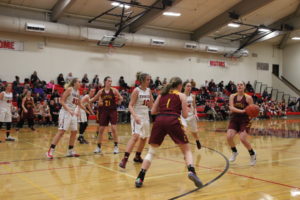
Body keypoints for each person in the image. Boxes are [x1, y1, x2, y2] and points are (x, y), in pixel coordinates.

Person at [135, 77, 202, 188]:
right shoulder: (182, 96)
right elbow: (185, 116)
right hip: (173, 120)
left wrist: (164, 109)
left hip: (160, 120)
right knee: (186, 150)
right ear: (180, 86)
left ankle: (140, 177)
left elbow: (153, 111)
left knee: (151, 152)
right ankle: (191, 171)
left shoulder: (162, 94)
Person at [119, 73, 153, 169]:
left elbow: (151, 105)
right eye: (147, 80)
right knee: (135, 136)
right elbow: (130, 105)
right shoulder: (136, 91)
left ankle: (137, 156)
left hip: (146, 116)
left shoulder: (149, 90)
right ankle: (124, 159)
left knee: (144, 138)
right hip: (136, 115)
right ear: (142, 81)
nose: (149, 81)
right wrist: (135, 116)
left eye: (149, 79)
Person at [46, 78, 85, 159]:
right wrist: (69, 110)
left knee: (74, 131)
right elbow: (61, 101)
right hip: (65, 113)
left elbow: (79, 103)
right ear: (74, 83)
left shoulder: (77, 92)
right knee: (61, 132)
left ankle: (70, 151)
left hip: (73, 113)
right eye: (79, 81)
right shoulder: (70, 89)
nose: (80, 83)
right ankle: (50, 151)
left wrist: (86, 110)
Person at [227, 81, 257, 166]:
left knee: (243, 139)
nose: (239, 86)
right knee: (229, 137)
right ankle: (234, 152)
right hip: (234, 119)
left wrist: (251, 115)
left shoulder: (248, 98)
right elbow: (231, 108)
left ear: (244, 87)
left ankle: (252, 154)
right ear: (236, 87)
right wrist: (243, 111)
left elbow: (252, 109)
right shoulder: (232, 96)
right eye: (238, 84)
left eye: (241, 85)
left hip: (245, 120)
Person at [91, 77, 123, 154]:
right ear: (105, 82)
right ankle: (98, 147)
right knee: (101, 129)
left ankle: (116, 147)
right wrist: (86, 101)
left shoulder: (114, 90)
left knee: (114, 128)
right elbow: (94, 99)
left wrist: (119, 100)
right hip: (104, 111)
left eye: (111, 81)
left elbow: (121, 98)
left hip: (112, 111)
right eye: (109, 81)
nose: (110, 82)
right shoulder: (101, 91)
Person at [181, 81, 201, 149]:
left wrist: (196, 114)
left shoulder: (193, 96)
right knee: (184, 130)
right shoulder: (180, 95)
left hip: (191, 116)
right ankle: (185, 146)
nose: (189, 87)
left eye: (190, 86)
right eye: (187, 86)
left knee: (194, 132)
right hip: (183, 116)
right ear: (184, 87)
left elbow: (194, 106)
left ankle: (197, 140)